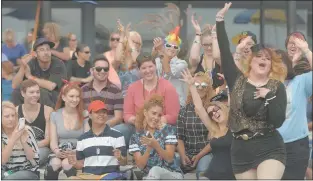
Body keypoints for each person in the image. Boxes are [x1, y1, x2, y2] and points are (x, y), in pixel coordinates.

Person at [216, 2, 287, 179]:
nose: (263, 60)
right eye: (259, 57)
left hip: (269, 146)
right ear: (251, 61)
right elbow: (225, 53)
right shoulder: (237, 80)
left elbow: (278, 121)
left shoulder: (276, 87)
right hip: (241, 149)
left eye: (267, 58)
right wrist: (219, 20)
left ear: (271, 64)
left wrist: (269, 97)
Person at [181, 69, 235, 180]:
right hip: (212, 174)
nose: (214, 113)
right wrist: (191, 86)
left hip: (232, 175)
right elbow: (200, 108)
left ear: (223, 108)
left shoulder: (234, 125)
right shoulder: (214, 130)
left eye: (216, 109)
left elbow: (233, 103)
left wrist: (229, 83)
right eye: (211, 113)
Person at [276, 34, 312, 180]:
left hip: (296, 145)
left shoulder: (300, 81)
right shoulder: (265, 83)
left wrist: (306, 50)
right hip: (271, 144)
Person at [67, 100, 127, 179]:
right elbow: (81, 165)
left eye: (104, 112)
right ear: (90, 115)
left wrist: (120, 158)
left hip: (109, 176)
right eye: (97, 112)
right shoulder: (82, 139)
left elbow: (124, 162)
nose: (101, 114)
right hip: (88, 177)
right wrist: (74, 163)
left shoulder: (117, 135)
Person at [129, 95, 184, 180]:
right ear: (145, 113)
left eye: (159, 115)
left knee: (155, 170)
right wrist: (149, 148)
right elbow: (140, 166)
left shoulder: (167, 130)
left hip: (172, 175)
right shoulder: (136, 137)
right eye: (153, 113)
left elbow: (169, 158)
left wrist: (156, 145)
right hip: (149, 177)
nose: (156, 118)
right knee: (152, 173)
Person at [44, 83, 90, 180]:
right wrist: (56, 151)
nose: (75, 99)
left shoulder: (84, 114)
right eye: (71, 96)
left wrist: (75, 152)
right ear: (64, 97)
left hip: (78, 151)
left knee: (66, 163)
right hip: (61, 150)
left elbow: (87, 140)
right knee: (55, 163)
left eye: (77, 96)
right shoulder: (55, 115)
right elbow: (53, 141)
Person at [124, 53, 180, 129]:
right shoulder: (132, 88)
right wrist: (135, 120)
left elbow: (173, 116)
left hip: (160, 126)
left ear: (155, 66)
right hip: (138, 126)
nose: (148, 71)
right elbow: (127, 114)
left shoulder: (168, 86)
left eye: (150, 67)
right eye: (143, 68)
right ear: (139, 70)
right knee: (121, 130)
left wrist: (153, 121)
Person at [81, 54, 128, 144]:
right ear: (92, 70)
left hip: (109, 129)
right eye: (99, 69)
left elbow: (118, 117)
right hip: (88, 129)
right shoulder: (83, 90)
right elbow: (81, 114)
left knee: (125, 128)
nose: (102, 71)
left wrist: (102, 127)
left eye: (106, 69)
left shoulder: (116, 91)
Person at [176, 71, 215, 177]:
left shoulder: (213, 109)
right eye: (196, 85)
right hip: (187, 152)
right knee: (172, 162)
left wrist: (198, 156)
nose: (200, 88)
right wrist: (183, 155)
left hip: (206, 153)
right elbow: (179, 136)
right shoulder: (184, 110)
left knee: (202, 170)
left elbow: (215, 138)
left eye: (204, 85)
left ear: (208, 88)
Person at [11, 38, 67, 107]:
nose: (46, 52)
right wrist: (23, 66)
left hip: (55, 97)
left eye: (48, 49)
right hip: (36, 97)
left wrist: (30, 77)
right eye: (42, 50)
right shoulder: (31, 62)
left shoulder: (58, 63)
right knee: (16, 92)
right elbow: (14, 85)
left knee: (40, 92)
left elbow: (51, 86)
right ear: (35, 54)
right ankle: (19, 115)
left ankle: (48, 116)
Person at [16, 80, 54, 166]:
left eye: (37, 92)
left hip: (41, 147)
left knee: (37, 156)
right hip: (21, 146)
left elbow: (48, 140)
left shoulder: (48, 110)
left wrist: (31, 147)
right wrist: (25, 148)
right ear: (23, 93)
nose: (35, 95)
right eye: (31, 92)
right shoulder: (15, 111)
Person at [1, 101, 40, 180]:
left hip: (27, 170)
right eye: (7, 116)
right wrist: (13, 139)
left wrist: (24, 142)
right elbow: (2, 161)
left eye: (13, 115)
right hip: (6, 171)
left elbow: (35, 161)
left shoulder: (27, 130)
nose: (11, 119)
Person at [152, 26, 188, 106]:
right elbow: (147, 66)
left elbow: (169, 72)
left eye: (175, 47)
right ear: (164, 47)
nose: (172, 48)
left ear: (178, 51)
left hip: (177, 104)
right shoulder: (158, 60)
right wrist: (155, 50)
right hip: (160, 103)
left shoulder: (182, 64)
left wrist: (161, 52)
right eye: (168, 45)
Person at [188, 13, 224, 90]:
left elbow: (217, 56)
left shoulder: (221, 60)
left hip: (219, 100)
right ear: (201, 44)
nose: (209, 48)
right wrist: (198, 34)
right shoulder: (198, 61)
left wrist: (214, 35)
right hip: (200, 99)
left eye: (211, 44)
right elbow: (193, 57)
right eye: (205, 45)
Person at [115, 20, 141, 97]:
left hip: (136, 98)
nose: (135, 45)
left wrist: (129, 38)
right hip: (120, 99)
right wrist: (122, 35)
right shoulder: (121, 60)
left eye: (138, 43)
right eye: (134, 42)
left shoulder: (139, 59)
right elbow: (117, 58)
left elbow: (135, 58)